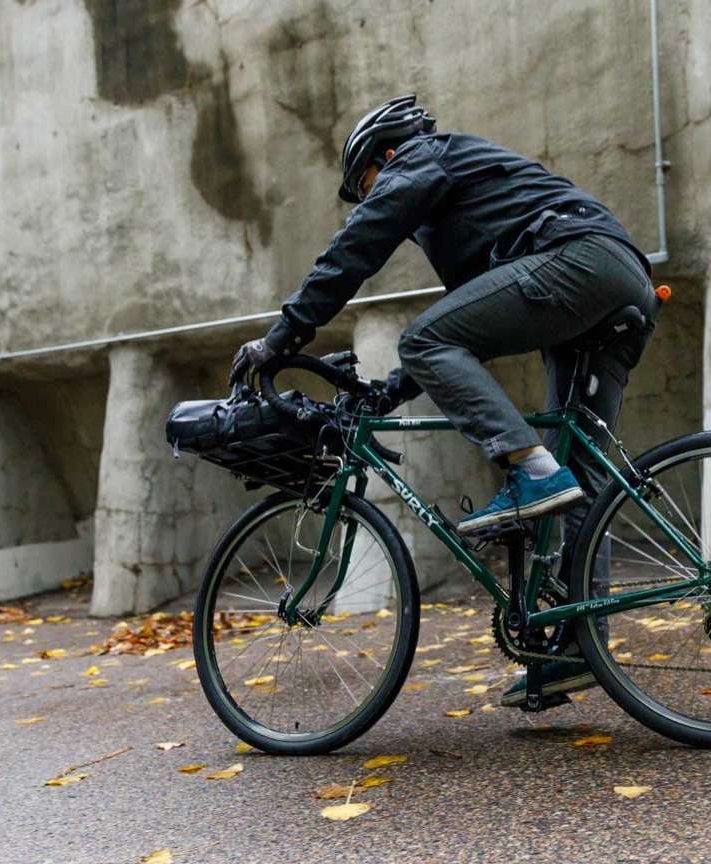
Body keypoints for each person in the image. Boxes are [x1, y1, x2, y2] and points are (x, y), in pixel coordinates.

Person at [230, 94, 657, 706]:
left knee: (426, 338)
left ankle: (529, 471)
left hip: (575, 262)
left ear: (385, 154)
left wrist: (285, 335)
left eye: (367, 184)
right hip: (621, 286)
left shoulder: (422, 158)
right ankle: (577, 652)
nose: (373, 196)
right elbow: (470, 340)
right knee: (583, 482)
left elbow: (357, 249)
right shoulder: (472, 209)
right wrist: (394, 389)